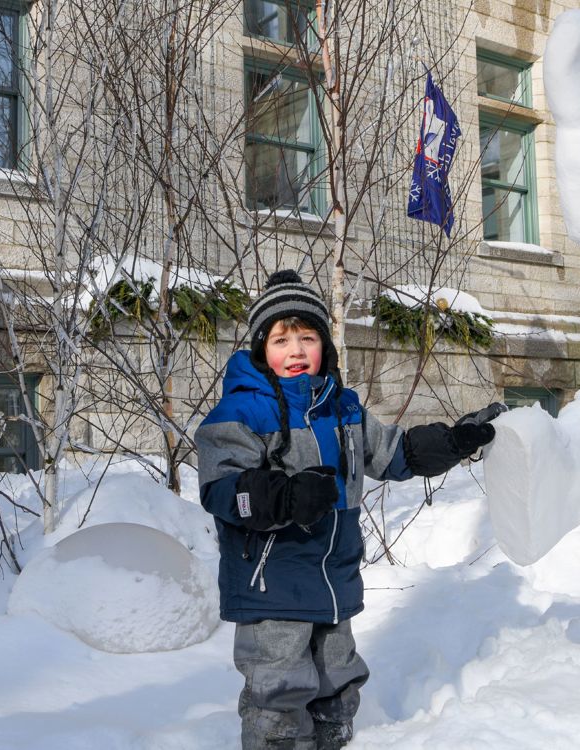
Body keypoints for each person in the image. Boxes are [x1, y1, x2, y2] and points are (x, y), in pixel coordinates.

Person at [196, 270, 505, 750]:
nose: (296, 350)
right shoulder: (240, 414)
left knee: (338, 685)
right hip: (272, 588)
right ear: (261, 350)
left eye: (307, 337)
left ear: (324, 345)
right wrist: (284, 496)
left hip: (334, 583)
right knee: (279, 693)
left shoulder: (342, 409)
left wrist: (452, 441)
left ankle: (336, 740)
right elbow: (222, 489)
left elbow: (395, 453)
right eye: (281, 340)